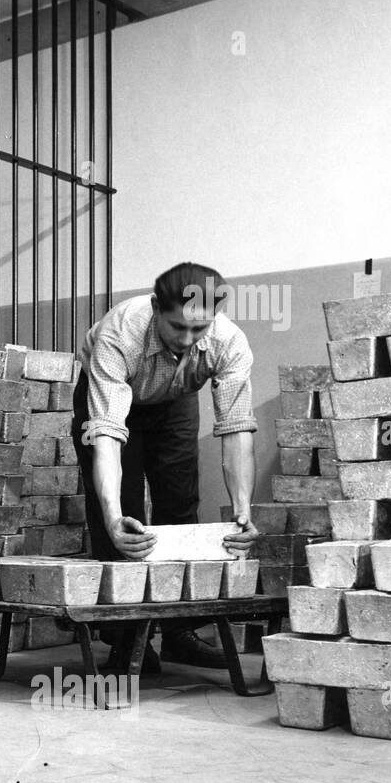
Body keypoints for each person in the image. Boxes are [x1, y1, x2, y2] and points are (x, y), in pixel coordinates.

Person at [70, 261, 260, 672]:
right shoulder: (119, 334)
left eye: (199, 330)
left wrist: (243, 509)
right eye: (178, 327)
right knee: (125, 518)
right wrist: (113, 516)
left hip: (174, 400)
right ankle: (126, 638)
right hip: (112, 401)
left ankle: (179, 632)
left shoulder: (229, 342)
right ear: (156, 307)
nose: (188, 339)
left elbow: (237, 429)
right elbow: (106, 436)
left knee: (179, 503)